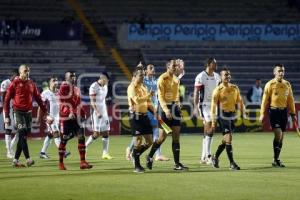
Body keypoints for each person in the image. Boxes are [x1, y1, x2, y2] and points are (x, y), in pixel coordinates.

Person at [146, 59, 188, 171]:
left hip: (174, 108)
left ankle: (177, 163)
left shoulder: (176, 79)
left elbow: (176, 95)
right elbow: (160, 96)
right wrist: (166, 110)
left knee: (176, 136)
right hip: (164, 109)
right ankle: (149, 157)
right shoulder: (162, 78)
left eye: (176, 66)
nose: (176, 67)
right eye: (174, 66)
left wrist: (178, 107)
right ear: (168, 66)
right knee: (162, 137)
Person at [4, 64, 47, 167]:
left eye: (28, 71)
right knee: (22, 133)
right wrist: (6, 116)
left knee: (22, 136)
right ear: (20, 72)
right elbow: (6, 100)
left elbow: (38, 98)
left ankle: (15, 160)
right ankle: (28, 159)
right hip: (18, 112)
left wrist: (45, 111)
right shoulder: (15, 83)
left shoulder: (31, 83)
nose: (27, 72)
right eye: (25, 71)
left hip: (28, 114)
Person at [259, 64, 296, 167]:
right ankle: (276, 159)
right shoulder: (269, 84)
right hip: (274, 111)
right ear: (274, 72)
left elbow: (291, 100)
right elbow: (264, 100)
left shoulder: (287, 84)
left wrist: (293, 113)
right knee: (278, 134)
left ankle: (276, 159)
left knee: (281, 137)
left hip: (284, 112)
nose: (281, 73)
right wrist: (262, 114)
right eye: (279, 71)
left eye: (283, 71)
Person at [211, 68, 245, 170]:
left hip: (232, 115)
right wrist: (213, 121)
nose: (227, 76)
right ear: (221, 77)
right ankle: (232, 163)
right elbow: (213, 107)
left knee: (226, 139)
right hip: (223, 115)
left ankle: (215, 157)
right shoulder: (218, 90)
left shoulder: (235, 88)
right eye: (225, 75)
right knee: (229, 138)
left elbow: (240, 101)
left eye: (228, 75)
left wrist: (243, 112)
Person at [58, 71, 92, 170]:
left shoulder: (76, 89)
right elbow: (65, 101)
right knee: (64, 139)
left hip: (76, 116)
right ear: (66, 77)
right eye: (71, 76)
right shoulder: (64, 86)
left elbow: (78, 102)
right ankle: (61, 163)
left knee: (81, 136)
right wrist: (70, 112)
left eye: (74, 76)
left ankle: (82, 162)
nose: (74, 77)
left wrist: (83, 112)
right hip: (66, 116)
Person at [193, 58, 220, 164]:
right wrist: (195, 107)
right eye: (214, 63)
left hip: (214, 106)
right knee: (210, 126)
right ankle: (208, 155)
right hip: (204, 105)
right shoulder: (201, 76)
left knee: (209, 130)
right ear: (209, 64)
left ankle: (203, 157)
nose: (216, 64)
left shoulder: (217, 76)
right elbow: (196, 92)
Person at [127, 67, 155, 173]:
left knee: (149, 141)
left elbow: (148, 103)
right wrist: (148, 95)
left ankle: (135, 155)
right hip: (136, 116)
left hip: (144, 116)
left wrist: (155, 112)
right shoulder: (131, 87)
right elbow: (136, 100)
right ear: (134, 76)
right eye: (141, 75)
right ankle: (137, 166)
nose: (143, 77)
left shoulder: (143, 87)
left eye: (143, 75)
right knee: (138, 141)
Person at [37, 76, 70, 159]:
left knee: (50, 135)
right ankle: (63, 151)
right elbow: (40, 106)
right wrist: (38, 117)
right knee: (56, 133)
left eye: (56, 80)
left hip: (58, 117)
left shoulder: (59, 92)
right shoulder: (45, 93)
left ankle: (42, 152)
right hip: (49, 117)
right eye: (53, 80)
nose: (56, 82)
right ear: (49, 83)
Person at [143, 64, 169, 161]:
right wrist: (139, 69)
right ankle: (130, 149)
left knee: (156, 131)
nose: (153, 69)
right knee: (142, 133)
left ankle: (158, 155)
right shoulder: (143, 80)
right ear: (145, 71)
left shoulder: (155, 80)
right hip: (145, 108)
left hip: (154, 109)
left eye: (154, 68)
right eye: (150, 68)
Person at [85, 72, 113, 160]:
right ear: (103, 78)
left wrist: (104, 112)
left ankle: (105, 153)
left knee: (106, 132)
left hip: (104, 112)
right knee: (96, 134)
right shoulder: (94, 86)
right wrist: (97, 112)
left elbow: (103, 100)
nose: (108, 82)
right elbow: (92, 101)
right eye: (107, 80)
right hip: (95, 112)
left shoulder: (105, 86)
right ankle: (84, 147)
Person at [1, 69, 19, 158]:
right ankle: (9, 151)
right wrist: (7, 115)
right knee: (8, 129)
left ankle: (10, 147)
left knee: (21, 130)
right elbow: (4, 100)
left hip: (16, 109)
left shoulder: (18, 83)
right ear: (14, 75)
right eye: (17, 76)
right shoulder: (5, 83)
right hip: (7, 109)